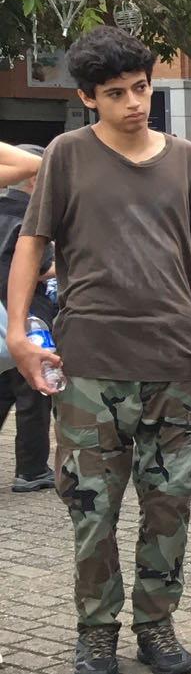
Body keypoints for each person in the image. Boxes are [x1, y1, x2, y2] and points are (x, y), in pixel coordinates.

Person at [6, 26, 191, 674]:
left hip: (173, 357)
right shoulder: (66, 155)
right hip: (92, 360)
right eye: (117, 93)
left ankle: (157, 623)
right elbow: (33, 241)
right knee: (92, 504)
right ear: (89, 97)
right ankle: (96, 632)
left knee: (171, 499)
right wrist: (22, 332)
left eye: (142, 87)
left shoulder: (183, 157)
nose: (135, 102)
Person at [0, 143, 53, 491]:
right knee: (35, 389)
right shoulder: (30, 218)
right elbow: (40, 268)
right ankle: (31, 469)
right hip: (24, 316)